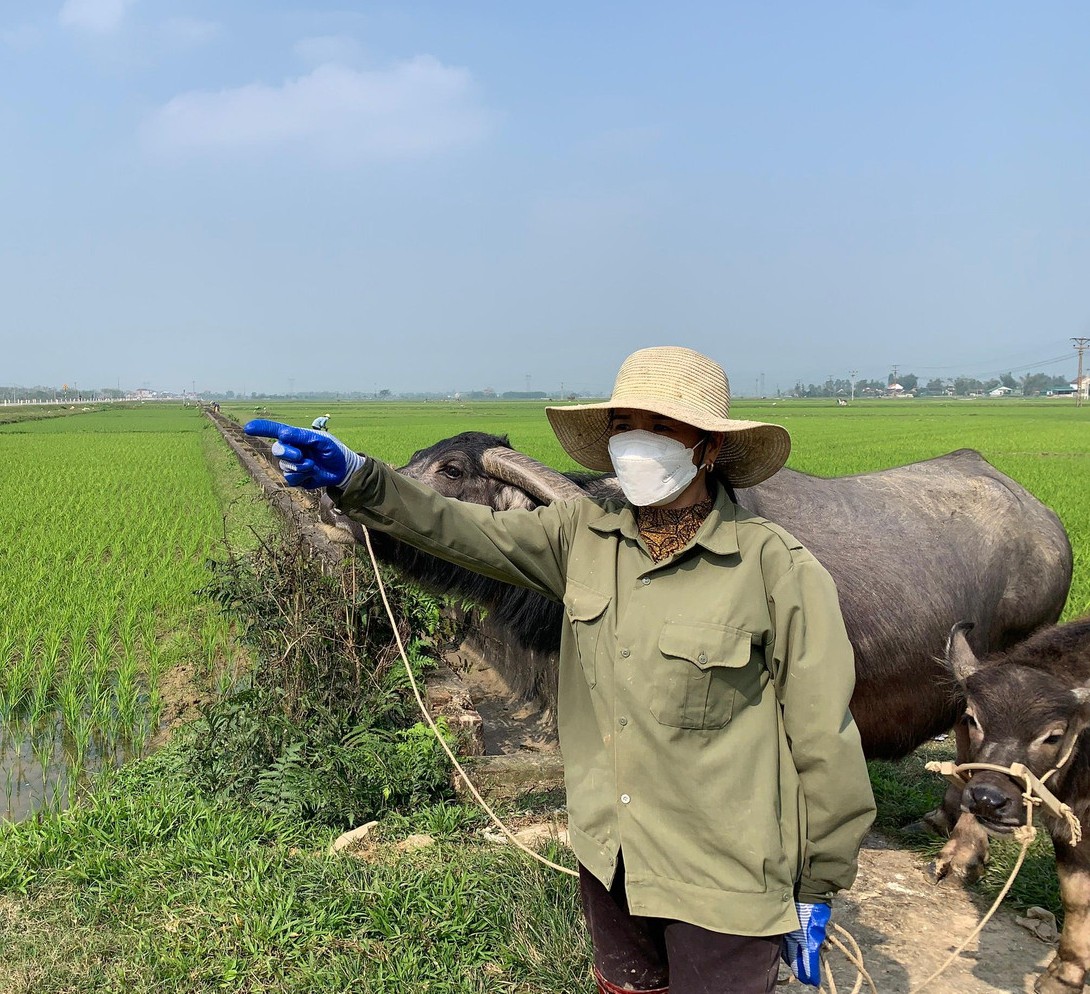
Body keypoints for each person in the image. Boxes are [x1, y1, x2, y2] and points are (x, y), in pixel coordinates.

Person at [246, 346, 874, 994]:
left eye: (662, 428)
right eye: (626, 425)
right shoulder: (580, 535)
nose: (639, 442)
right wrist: (356, 477)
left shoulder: (776, 567)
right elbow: (455, 527)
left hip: (725, 880)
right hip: (612, 859)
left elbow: (824, 739)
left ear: (709, 447)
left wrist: (818, 882)